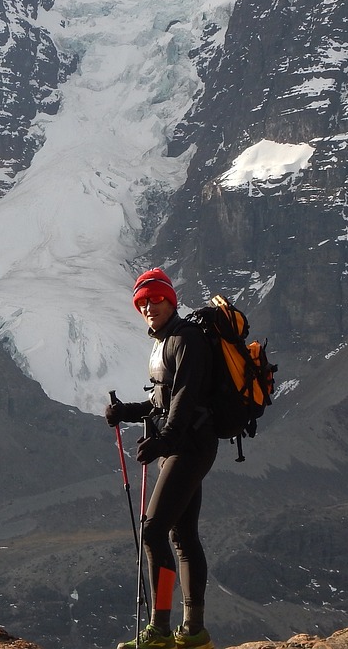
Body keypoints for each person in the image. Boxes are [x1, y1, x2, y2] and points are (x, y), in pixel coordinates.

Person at [105, 268, 218, 649]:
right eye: (142, 302)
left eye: (155, 299)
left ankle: (161, 631)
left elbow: (185, 399)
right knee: (182, 535)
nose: (149, 307)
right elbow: (162, 402)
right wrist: (127, 411)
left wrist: (163, 441)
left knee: (153, 531)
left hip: (188, 447)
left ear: (171, 300)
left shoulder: (187, 339)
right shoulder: (165, 341)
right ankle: (194, 632)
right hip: (186, 445)